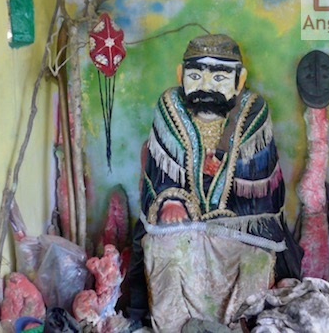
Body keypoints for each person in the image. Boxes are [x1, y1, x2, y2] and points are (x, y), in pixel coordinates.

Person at [126, 34, 302, 331]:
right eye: (195, 76)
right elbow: (158, 174)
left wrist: (220, 186)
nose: (206, 86)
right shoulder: (169, 106)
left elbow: (261, 183)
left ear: (240, 79)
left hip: (240, 226)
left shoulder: (253, 111)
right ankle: (174, 326)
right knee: (162, 248)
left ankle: (237, 326)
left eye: (219, 77)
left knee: (256, 259)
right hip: (183, 226)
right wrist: (170, 200)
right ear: (180, 75)